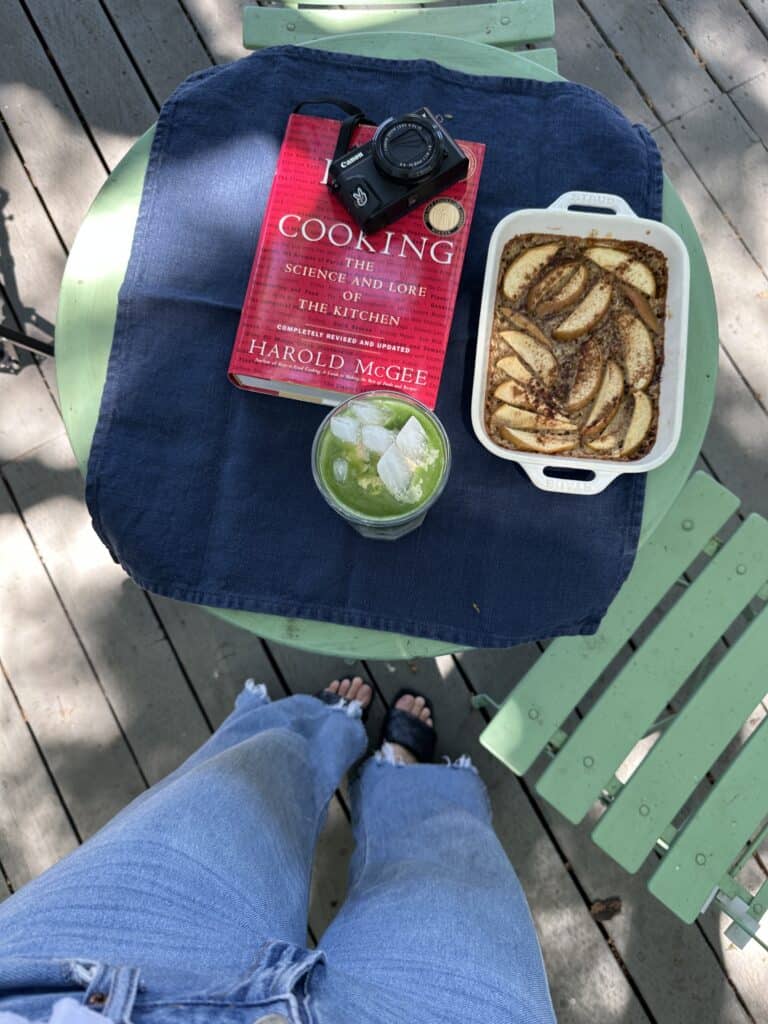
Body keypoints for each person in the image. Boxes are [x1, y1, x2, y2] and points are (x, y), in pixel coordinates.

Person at [0, 677, 557, 1024]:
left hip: (74, 982)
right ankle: (401, 778)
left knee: (241, 788)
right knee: (450, 874)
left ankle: (317, 729)